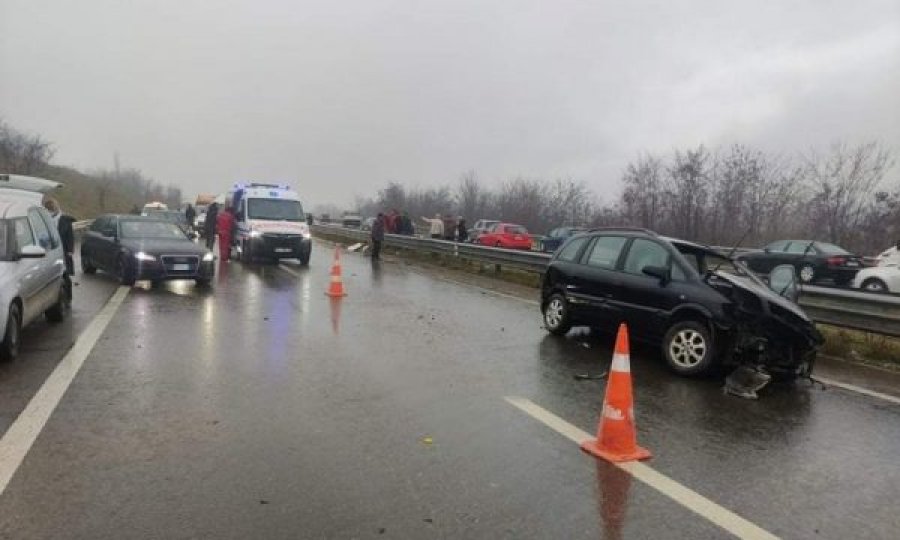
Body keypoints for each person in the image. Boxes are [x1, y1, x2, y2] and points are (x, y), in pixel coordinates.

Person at [42, 197, 76, 304]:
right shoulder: (45, 221)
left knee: (65, 274)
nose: (50, 212)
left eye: (51, 209)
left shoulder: (65, 220)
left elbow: (70, 236)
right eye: (48, 210)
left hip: (63, 251)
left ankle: (68, 298)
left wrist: (70, 251)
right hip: (50, 251)